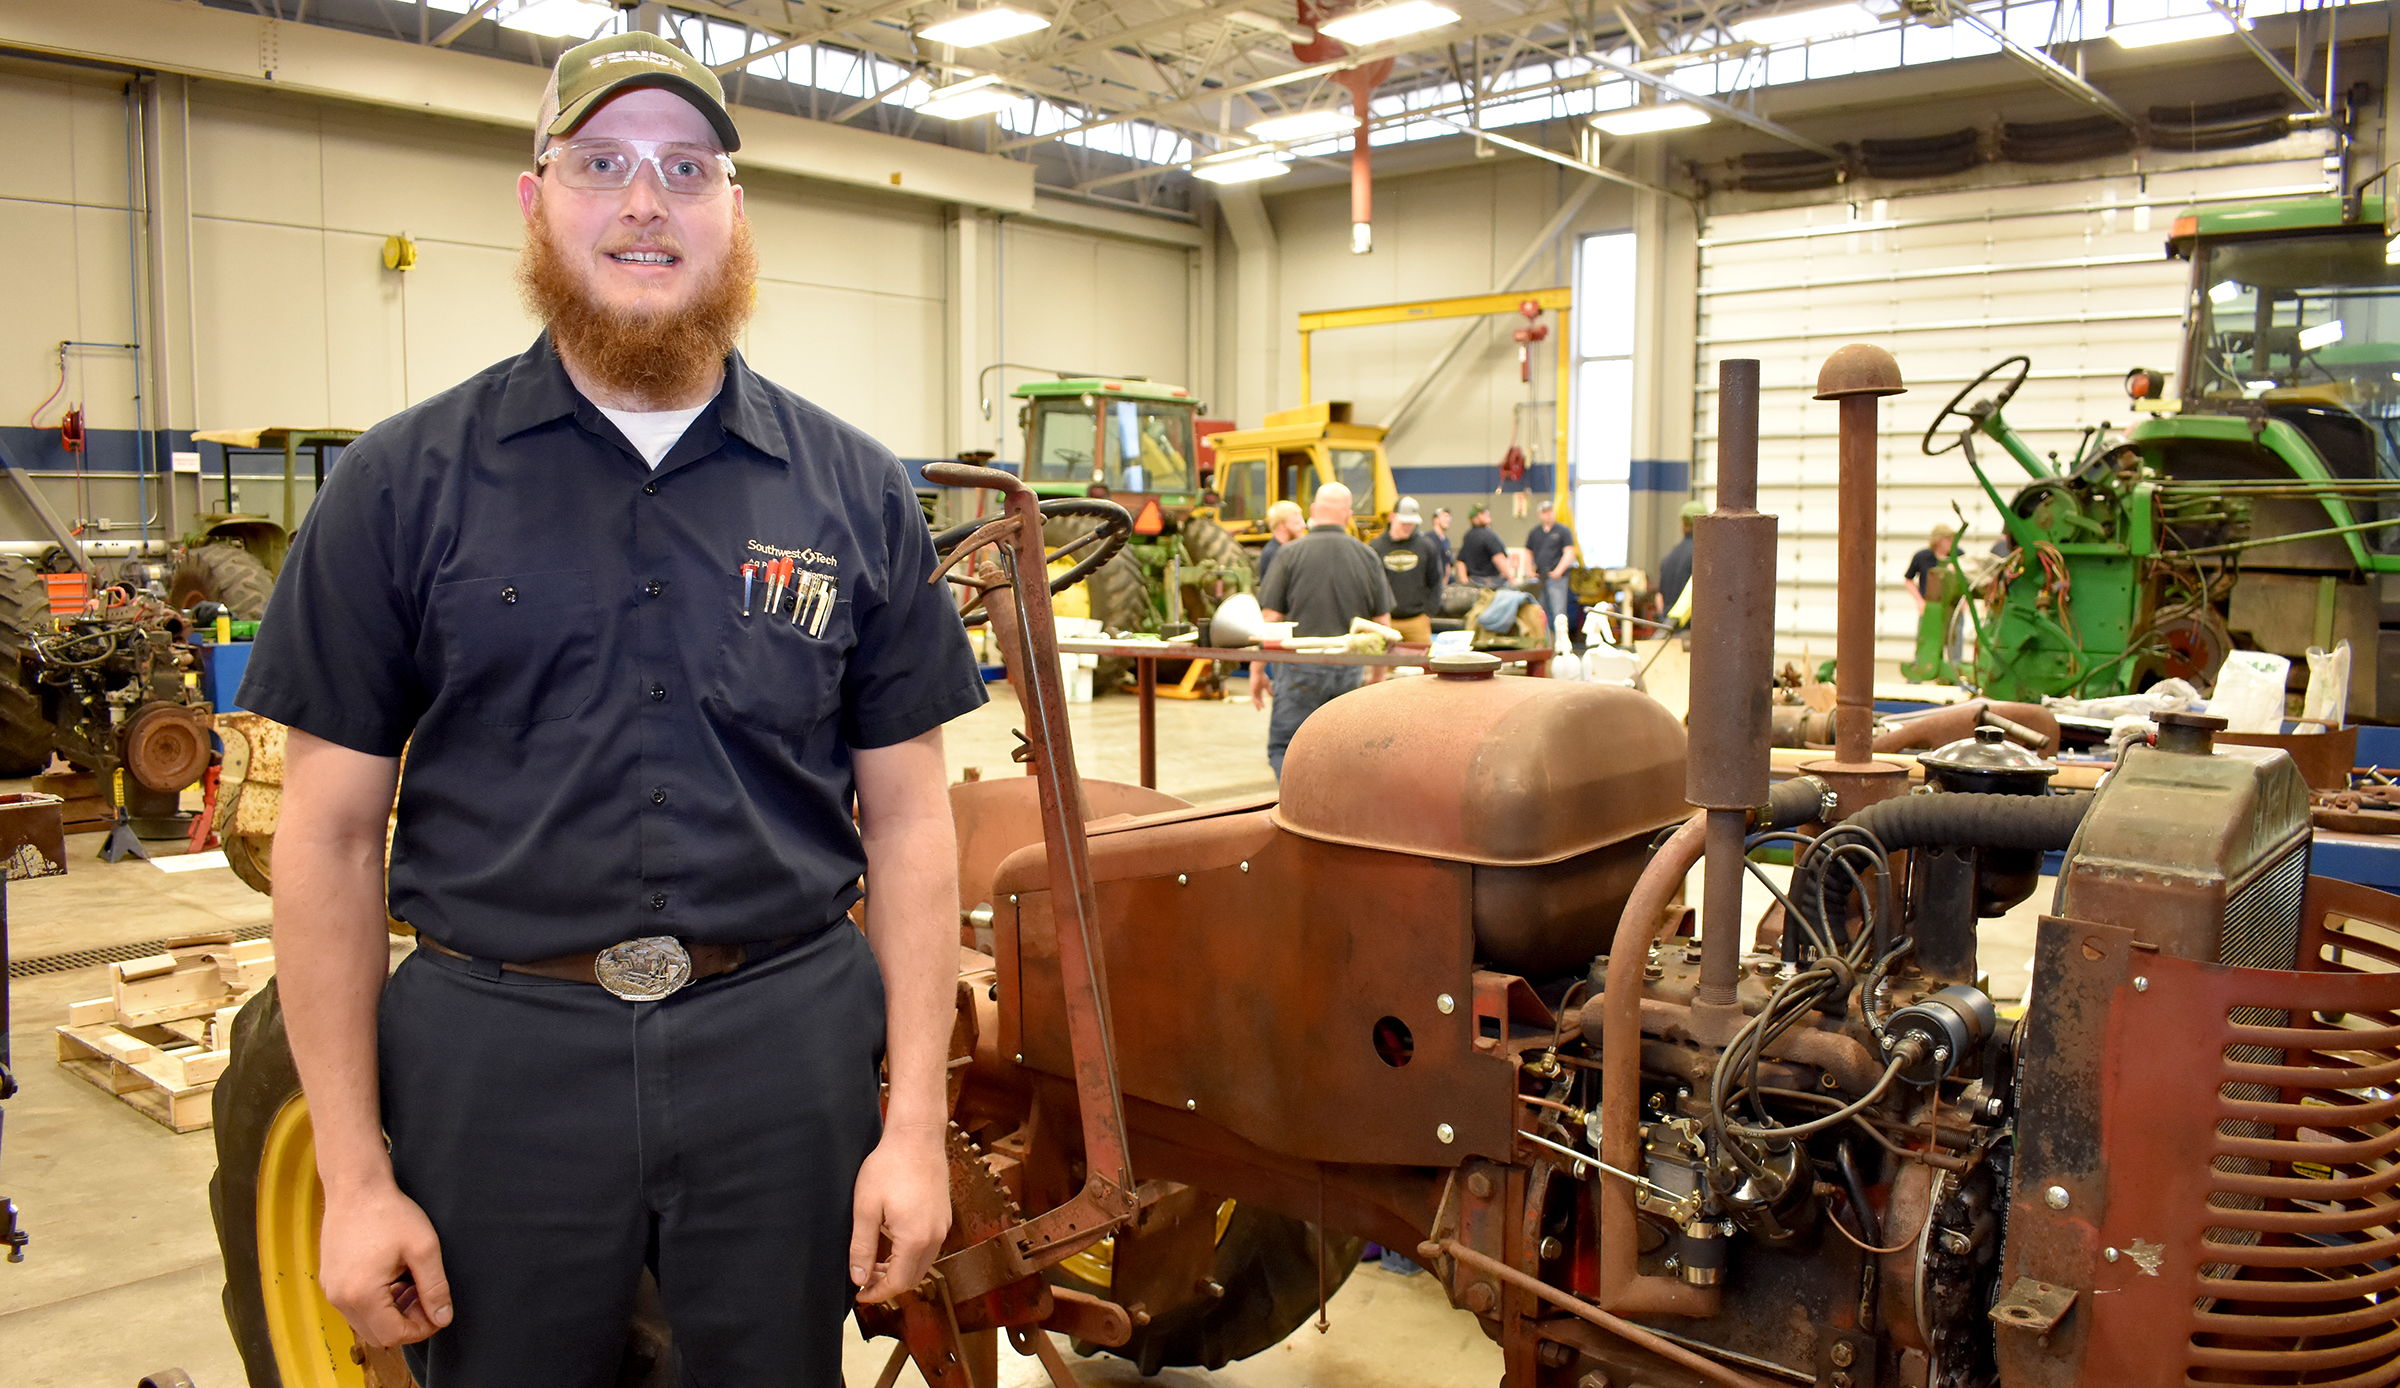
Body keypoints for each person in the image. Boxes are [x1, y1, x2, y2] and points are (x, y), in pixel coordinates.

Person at [241, 34, 980, 1386]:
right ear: (536, 201)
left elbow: (913, 821)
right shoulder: (400, 489)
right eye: (602, 163)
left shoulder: (857, 493)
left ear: (735, 213)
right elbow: (332, 839)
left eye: (687, 168)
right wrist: (353, 1178)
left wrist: (914, 1126)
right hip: (495, 1061)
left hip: (783, 1053)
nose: (646, 201)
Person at [1254, 482, 1392, 777]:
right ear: (1349, 515)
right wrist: (1378, 676)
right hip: (1350, 671)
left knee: (1287, 749)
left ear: (1314, 511)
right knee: (1343, 752)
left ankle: (1294, 811)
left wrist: (1256, 671)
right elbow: (1383, 624)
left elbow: (1270, 618)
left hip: (1299, 668)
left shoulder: (1289, 554)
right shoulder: (1367, 556)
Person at [1369, 496, 1445, 646]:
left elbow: (1436, 581)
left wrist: (1428, 613)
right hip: (1386, 621)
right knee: (1383, 666)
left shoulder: (1426, 547)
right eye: (1404, 522)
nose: (1408, 527)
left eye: (1412, 523)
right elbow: (1370, 584)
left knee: (1424, 666)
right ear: (1392, 517)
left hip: (1417, 621)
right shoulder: (1376, 547)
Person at [1525, 499, 1578, 629]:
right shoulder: (1535, 532)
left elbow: (1569, 552)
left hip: (1557, 579)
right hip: (1540, 577)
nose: (1548, 515)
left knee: (1559, 612)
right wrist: (1529, 570)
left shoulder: (1562, 531)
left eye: (1550, 511)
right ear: (1540, 515)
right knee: (1540, 612)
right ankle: (1545, 643)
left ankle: (1560, 643)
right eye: (1545, 512)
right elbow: (1528, 552)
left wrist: (1558, 571)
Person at [1655, 499, 1702, 619]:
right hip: (1691, 630)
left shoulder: (1669, 557)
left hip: (1668, 627)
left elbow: (1660, 599)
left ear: (1683, 523)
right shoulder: (1703, 557)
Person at [1903, 524, 1957, 614]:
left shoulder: (1958, 555)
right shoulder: (1921, 557)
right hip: (1929, 606)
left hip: (1952, 607)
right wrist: (1919, 600)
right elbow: (1908, 580)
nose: (1951, 542)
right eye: (1947, 539)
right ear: (1937, 540)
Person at [1456, 505, 1512, 587]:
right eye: (1482, 513)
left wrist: (1465, 582)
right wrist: (1512, 580)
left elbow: (1460, 562)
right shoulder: (1488, 535)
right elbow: (1498, 558)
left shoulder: (1468, 536)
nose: (1487, 514)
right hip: (1490, 584)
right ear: (1474, 519)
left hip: (1473, 582)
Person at [1256, 498, 1305, 580]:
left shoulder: (1289, 551)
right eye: (1297, 523)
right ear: (1282, 526)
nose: (1303, 526)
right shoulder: (1273, 554)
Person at [1429, 506, 1456, 586]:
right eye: (1444, 516)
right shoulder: (1429, 539)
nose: (1447, 519)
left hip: (1443, 583)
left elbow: (1448, 564)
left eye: (1448, 517)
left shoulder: (1446, 541)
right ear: (1435, 520)